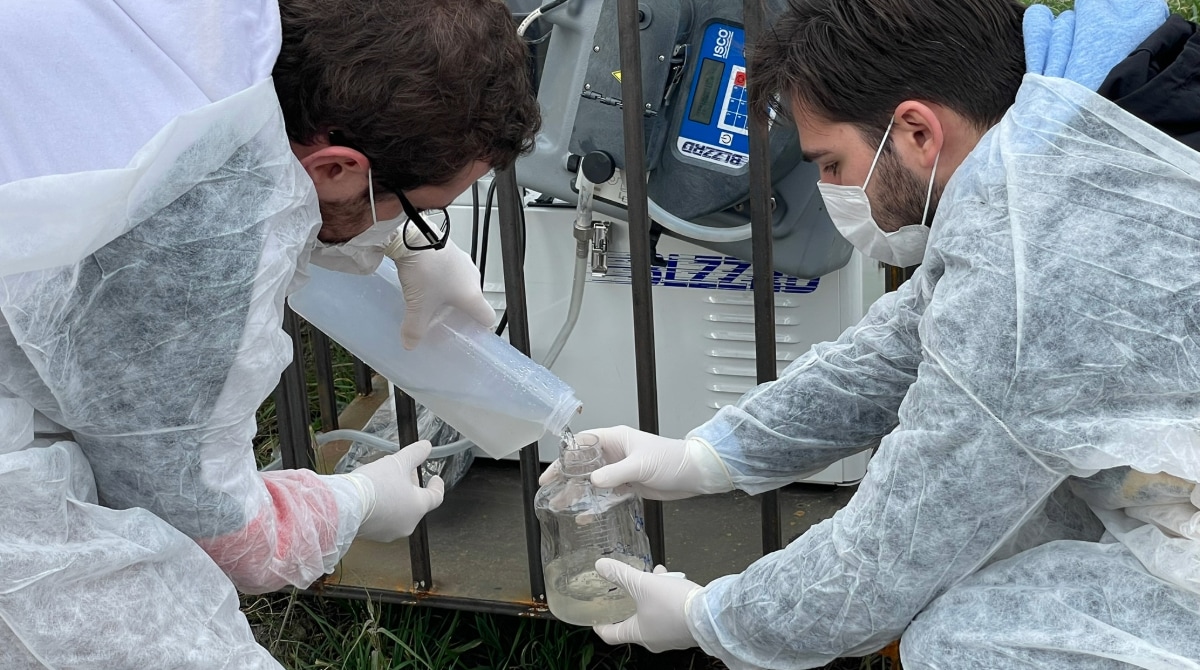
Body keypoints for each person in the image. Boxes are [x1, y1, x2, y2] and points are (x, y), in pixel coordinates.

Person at [539, 0, 1200, 667]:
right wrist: (705, 458)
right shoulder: (1098, 119)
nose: (831, 190)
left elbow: (893, 553)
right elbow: (909, 342)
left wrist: (706, 617)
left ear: (916, 132)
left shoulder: (1039, 254)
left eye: (830, 165)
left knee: (962, 643)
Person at [0, 0, 539, 666]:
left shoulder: (224, 29)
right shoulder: (192, 259)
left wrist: (395, 237)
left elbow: (246, 165)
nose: (417, 227)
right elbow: (205, 516)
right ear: (338, 167)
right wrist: (356, 501)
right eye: (423, 213)